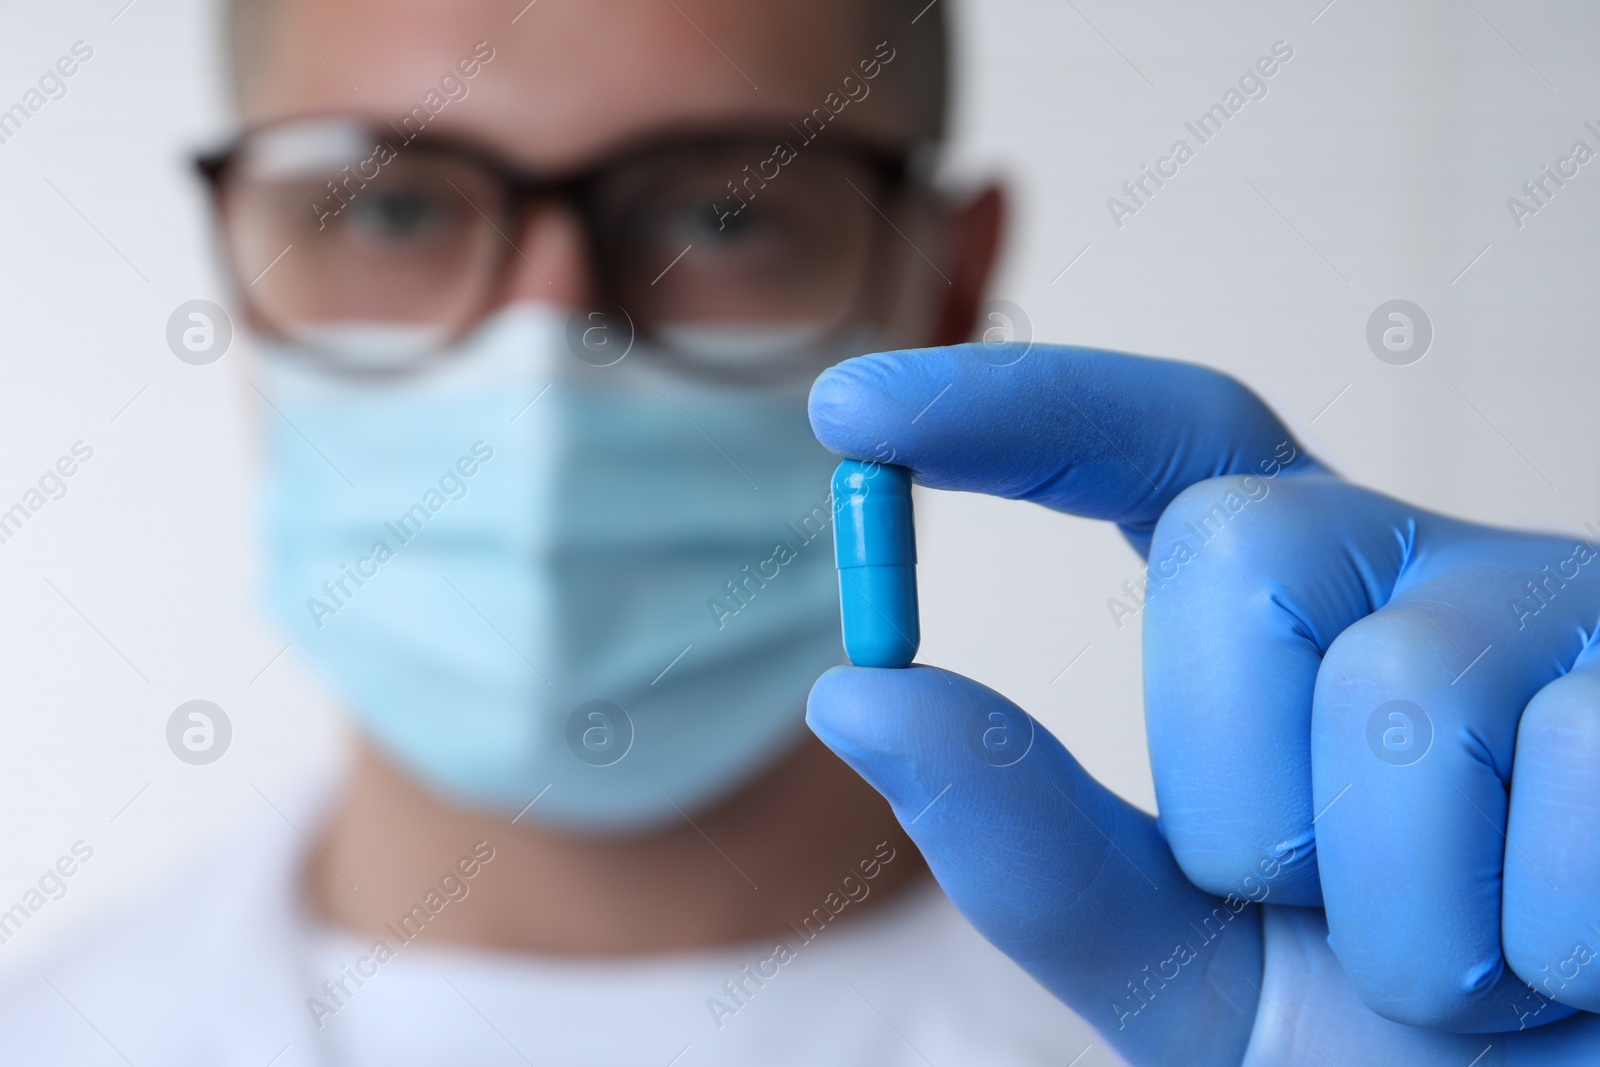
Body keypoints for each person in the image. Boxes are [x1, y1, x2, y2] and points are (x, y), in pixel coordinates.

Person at [4, 2, 1598, 1067]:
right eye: (398, 208)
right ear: (237, 267)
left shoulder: (1282, 1017)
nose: (549, 352)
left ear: (949, 286)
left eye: (726, 208)